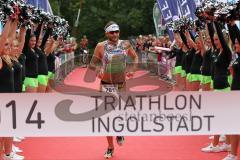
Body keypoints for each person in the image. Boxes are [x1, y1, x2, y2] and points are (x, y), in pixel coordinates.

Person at [87, 21, 138, 159]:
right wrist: (98, 69)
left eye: (117, 31)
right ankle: (110, 147)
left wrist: (132, 70)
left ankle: (120, 131)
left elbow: (135, 56)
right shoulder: (100, 46)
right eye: (112, 32)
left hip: (121, 84)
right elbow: (93, 63)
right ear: (106, 33)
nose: (115, 34)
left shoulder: (125, 44)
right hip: (106, 84)